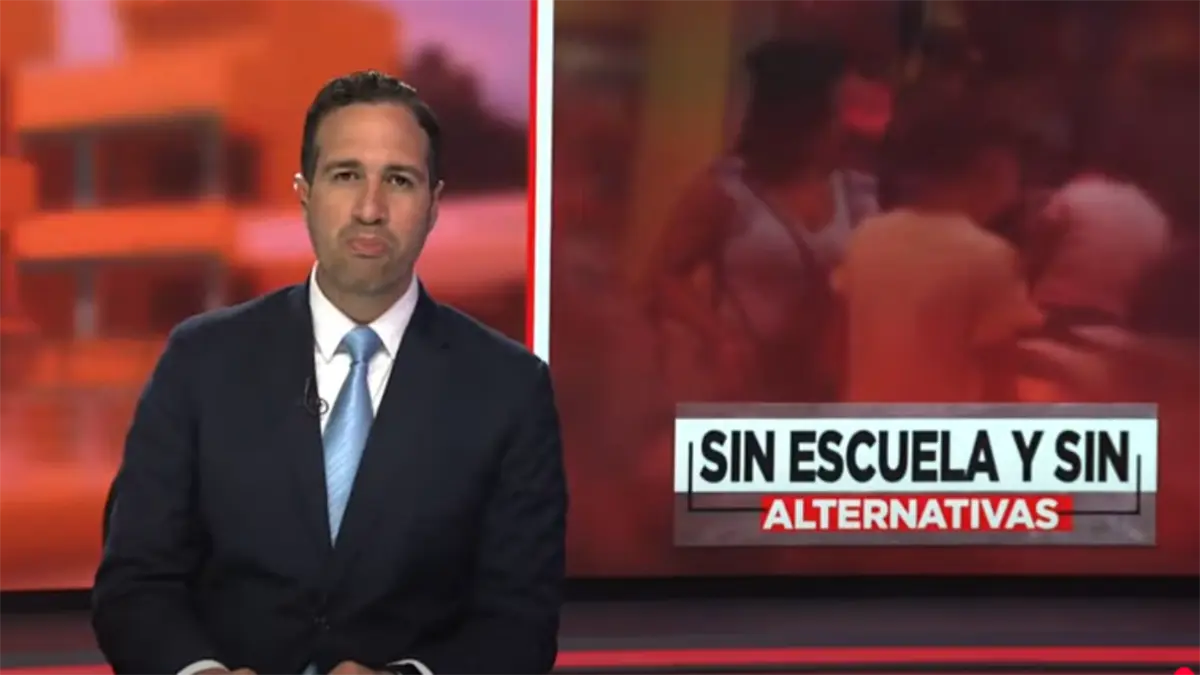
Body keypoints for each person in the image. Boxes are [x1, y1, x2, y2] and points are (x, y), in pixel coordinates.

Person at [92, 71, 567, 675]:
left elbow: (519, 625)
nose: (370, 209)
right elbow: (135, 583)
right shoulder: (200, 360)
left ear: (433, 205)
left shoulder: (510, 389)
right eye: (346, 175)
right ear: (304, 193)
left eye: (399, 180)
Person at [647, 39, 880, 404]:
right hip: (743, 383)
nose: (847, 125)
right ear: (804, 113)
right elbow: (663, 277)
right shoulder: (727, 189)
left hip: (824, 386)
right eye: (838, 110)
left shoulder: (855, 192)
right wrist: (718, 336)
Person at [835, 108, 1042, 402]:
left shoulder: (867, 234)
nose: (1015, 193)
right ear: (993, 167)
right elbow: (999, 382)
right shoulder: (990, 256)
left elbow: (836, 350)